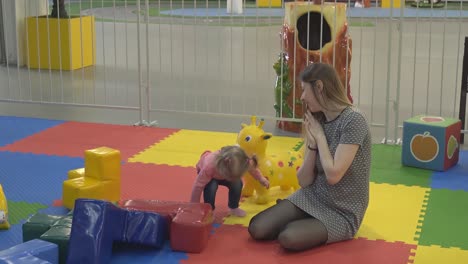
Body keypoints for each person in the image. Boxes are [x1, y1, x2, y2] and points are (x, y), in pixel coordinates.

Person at [248, 63, 372, 251]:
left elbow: (333, 175)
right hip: (313, 196)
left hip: (342, 210)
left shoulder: (353, 120)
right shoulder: (317, 119)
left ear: (320, 87)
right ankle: (305, 221)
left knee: (288, 238)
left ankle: (308, 224)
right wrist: (312, 146)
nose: (302, 96)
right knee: (257, 228)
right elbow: (304, 181)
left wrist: (320, 137)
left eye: (305, 89)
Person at [190, 145, 270, 217]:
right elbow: (198, 186)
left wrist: (261, 179)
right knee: (211, 187)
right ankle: (210, 210)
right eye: (233, 176)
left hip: (223, 174)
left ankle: (233, 207)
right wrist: (194, 206)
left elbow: (252, 169)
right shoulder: (209, 167)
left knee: (237, 183)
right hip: (210, 176)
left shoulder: (243, 161)